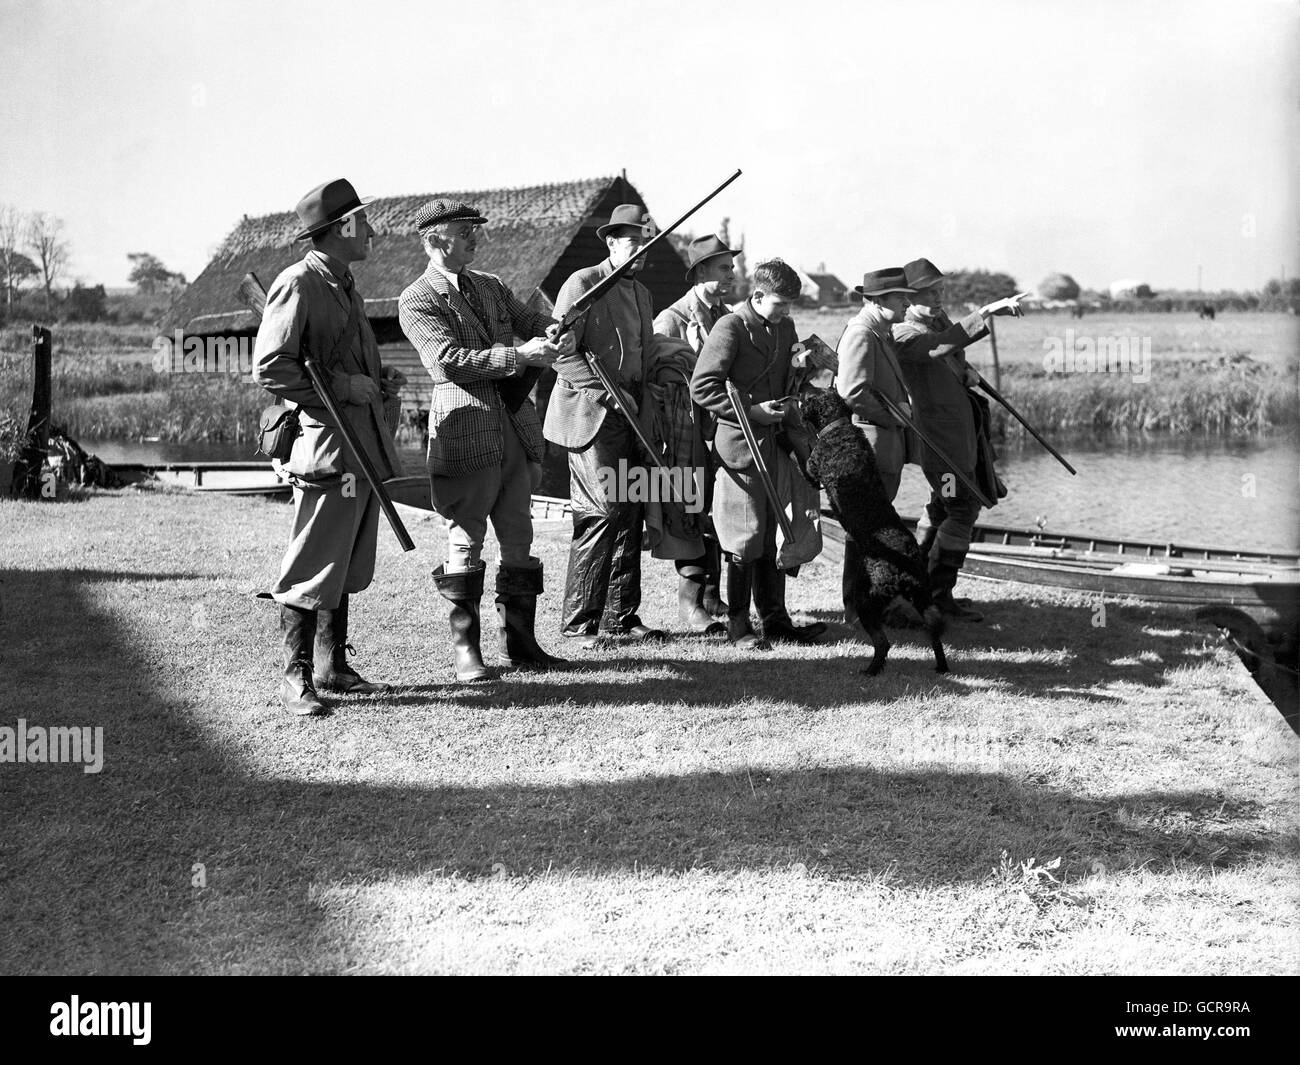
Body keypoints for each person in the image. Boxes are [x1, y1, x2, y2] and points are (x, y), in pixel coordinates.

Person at [398, 198, 572, 681]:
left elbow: (531, 321)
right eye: (464, 231)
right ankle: (467, 654)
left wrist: (555, 330)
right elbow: (447, 361)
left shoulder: (491, 285)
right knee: (466, 537)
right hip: (464, 435)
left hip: (515, 430)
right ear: (434, 240)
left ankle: (521, 645)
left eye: (475, 230)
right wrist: (521, 356)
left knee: (519, 535)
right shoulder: (415, 298)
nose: (476, 238)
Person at [253, 178, 405, 716]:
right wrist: (343, 387)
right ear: (342, 227)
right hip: (327, 450)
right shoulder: (299, 282)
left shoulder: (343, 285)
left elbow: (340, 360)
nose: (371, 231)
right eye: (364, 221)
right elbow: (271, 366)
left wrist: (376, 380)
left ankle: (331, 665)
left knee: (341, 563)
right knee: (313, 562)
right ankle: (296, 679)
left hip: (358, 448)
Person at [544, 203, 665, 647]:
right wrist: (609, 395)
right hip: (593, 415)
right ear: (612, 243)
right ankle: (580, 624)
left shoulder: (644, 294)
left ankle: (622, 618)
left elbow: (644, 354)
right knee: (600, 514)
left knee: (630, 512)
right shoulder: (583, 283)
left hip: (633, 418)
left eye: (645, 242)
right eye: (633, 241)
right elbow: (562, 352)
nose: (641, 251)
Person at [690, 258, 827, 650]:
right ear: (758, 295)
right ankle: (738, 626)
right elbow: (703, 388)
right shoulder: (730, 327)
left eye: (789, 306)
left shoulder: (785, 327)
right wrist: (750, 410)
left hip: (777, 445)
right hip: (741, 448)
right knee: (744, 539)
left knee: (774, 535)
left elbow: (784, 374)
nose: (786, 312)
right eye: (780, 304)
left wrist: (802, 371)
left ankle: (776, 621)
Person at [892, 258, 1024, 621]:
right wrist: (985, 312)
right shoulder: (904, 333)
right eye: (928, 292)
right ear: (907, 297)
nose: (937, 297)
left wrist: (965, 371)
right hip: (939, 444)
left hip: (960, 436)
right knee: (961, 507)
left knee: (943, 504)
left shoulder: (938, 321)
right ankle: (936, 594)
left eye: (939, 290)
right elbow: (936, 347)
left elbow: (949, 354)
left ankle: (920, 589)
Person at [651, 234, 741, 632]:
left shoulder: (725, 316)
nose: (731, 275)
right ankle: (691, 604)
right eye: (723, 268)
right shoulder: (672, 319)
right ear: (700, 271)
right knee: (688, 512)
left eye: (731, 268)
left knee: (716, 510)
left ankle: (711, 595)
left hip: (718, 429)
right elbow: (662, 383)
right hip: (683, 433)